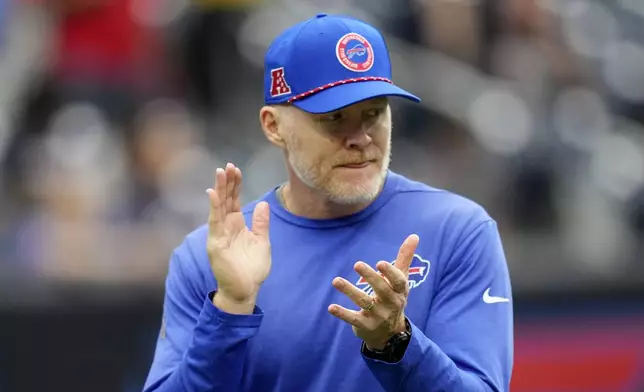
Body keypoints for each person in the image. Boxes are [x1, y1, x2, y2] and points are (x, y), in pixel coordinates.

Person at [143, 13, 513, 392]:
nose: (361, 137)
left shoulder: (458, 231)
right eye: (334, 117)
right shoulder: (211, 256)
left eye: (374, 113)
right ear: (273, 126)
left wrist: (397, 344)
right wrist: (230, 308)